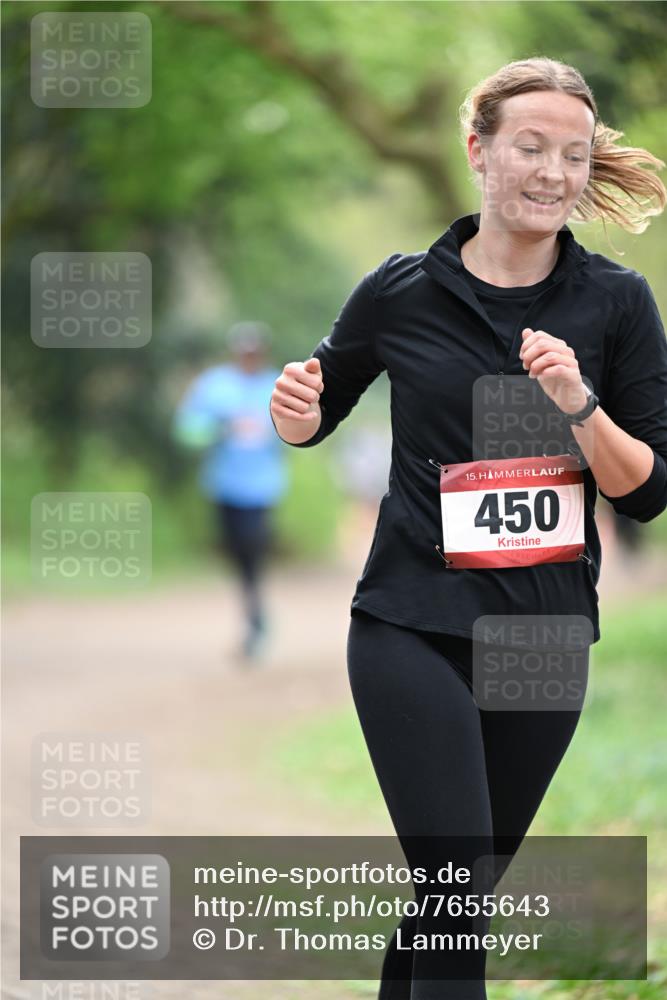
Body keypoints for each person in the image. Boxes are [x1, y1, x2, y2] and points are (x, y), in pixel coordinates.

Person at [269, 57, 667, 999]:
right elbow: (317, 405)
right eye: (529, 147)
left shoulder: (616, 304)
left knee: (452, 896)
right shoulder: (400, 291)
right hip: (411, 623)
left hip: (541, 634)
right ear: (477, 149)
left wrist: (577, 405)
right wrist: (294, 414)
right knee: (456, 892)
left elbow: (646, 493)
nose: (552, 173)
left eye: (573, 155)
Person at [175, 321, 287, 663]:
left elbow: (300, 431)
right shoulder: (214, 386)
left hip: (263, 488)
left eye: (255, 352)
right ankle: (253, 610)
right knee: (238, 555)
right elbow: (187, 431)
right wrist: (220, 428)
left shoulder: (277, 385)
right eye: (244, 352)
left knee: (253, 551)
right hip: (225, 486)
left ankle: (255, 619)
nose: (249, 357)